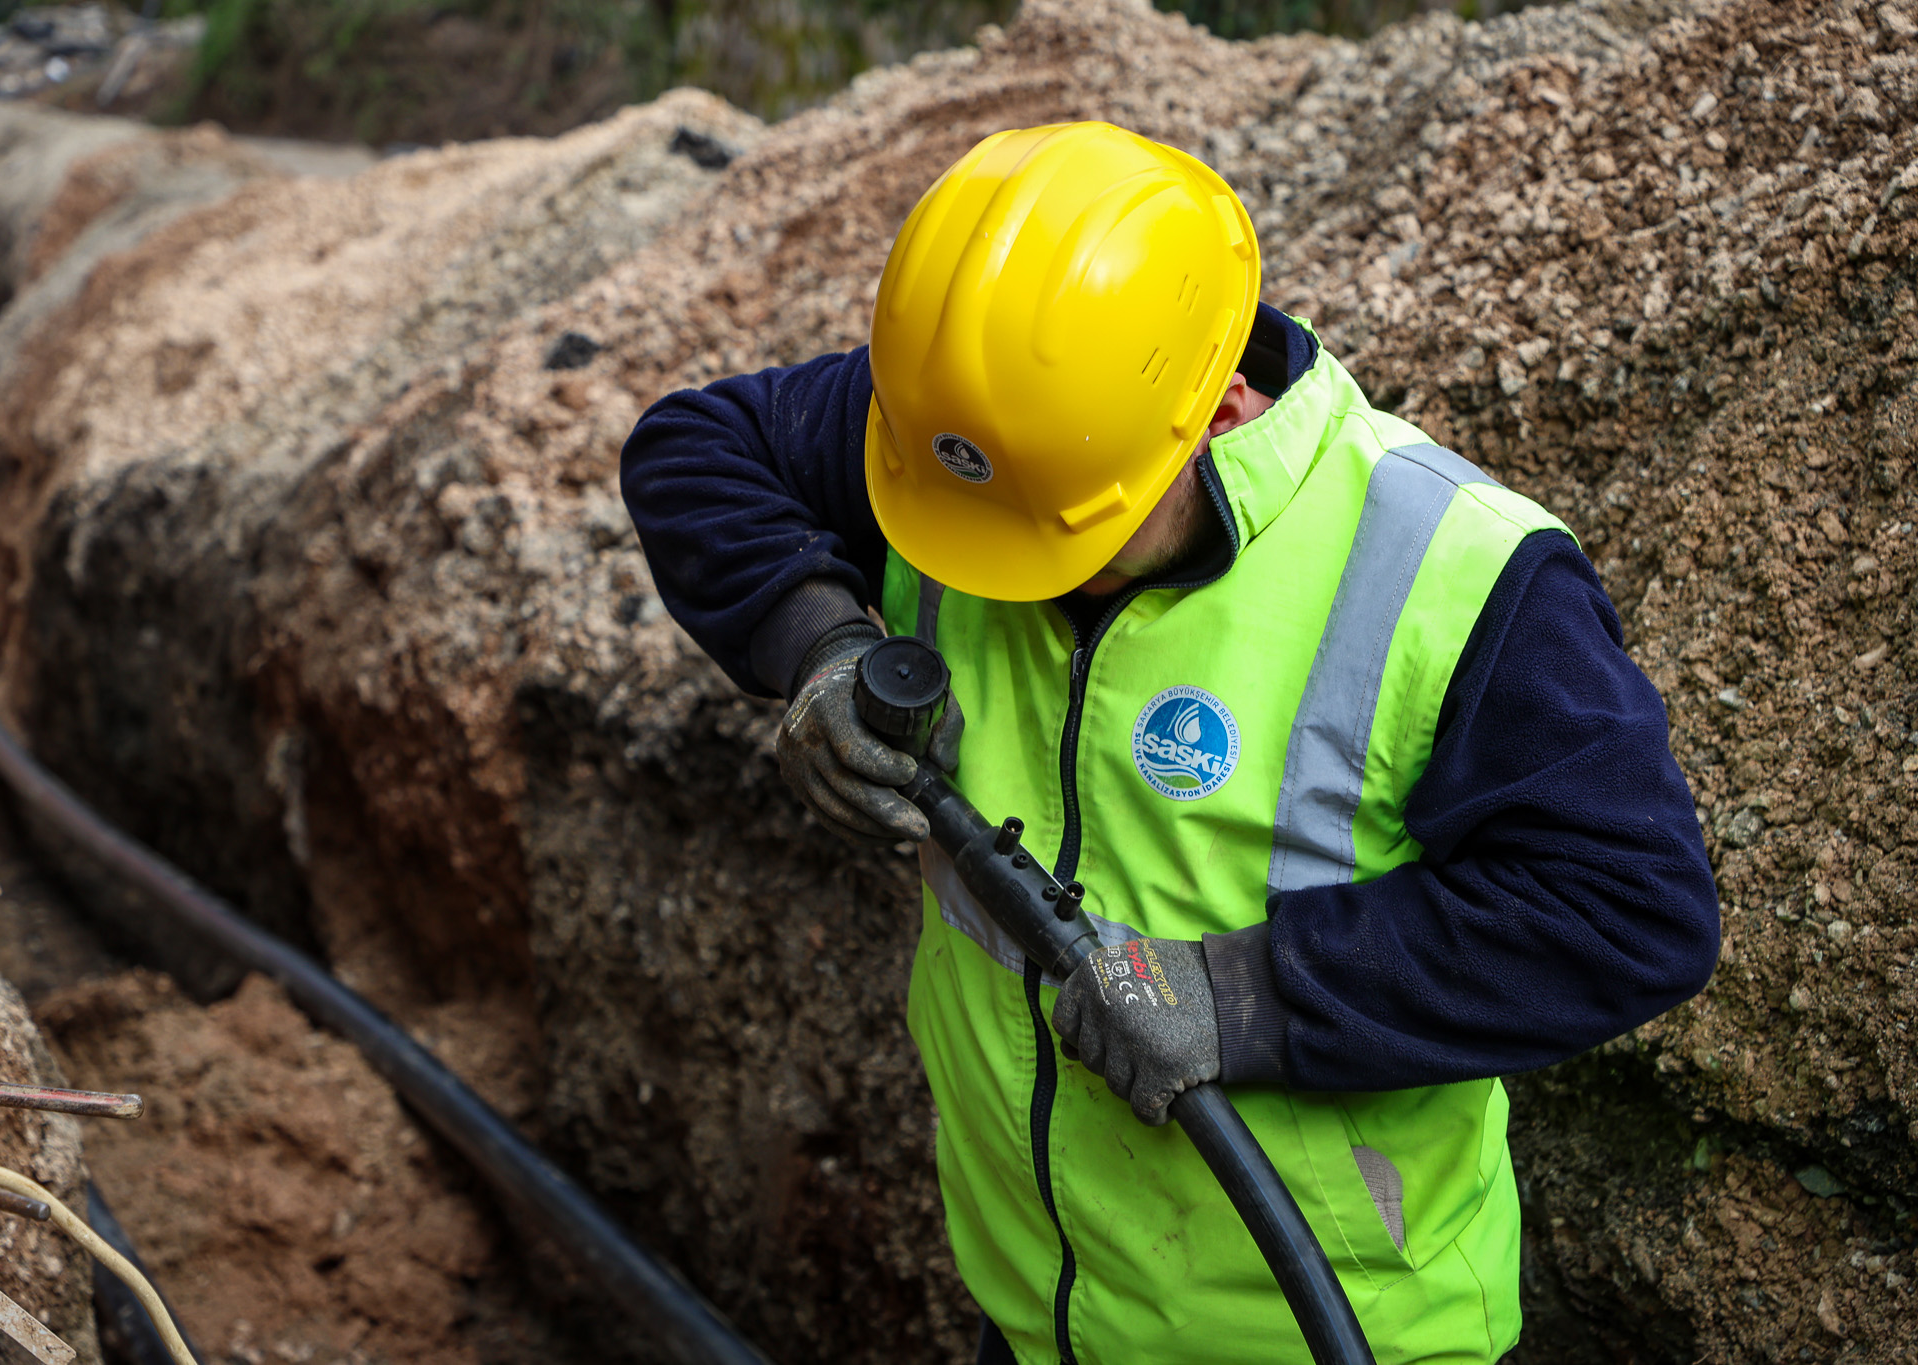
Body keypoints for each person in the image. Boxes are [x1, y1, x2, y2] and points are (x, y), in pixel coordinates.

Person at [621, 122, 1719, 1365]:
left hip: (1320, 1336)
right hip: (1038, 1318)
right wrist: (817, 645)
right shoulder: (988, 439)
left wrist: (1243, 998)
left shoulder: (1452, 578)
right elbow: (694, 449)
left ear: (1217, 412)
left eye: (1068, 538)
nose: (1016, 572)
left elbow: (1628, 911)